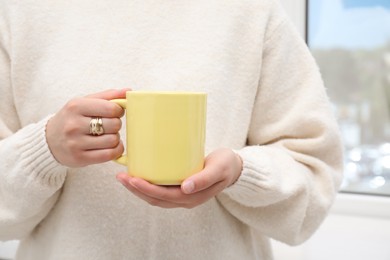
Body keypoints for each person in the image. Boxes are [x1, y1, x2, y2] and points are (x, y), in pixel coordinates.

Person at [0, 0, 344, 259]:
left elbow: (313, 188)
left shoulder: (252, 13)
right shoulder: (18, 14)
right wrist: (42, 151)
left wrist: (241, 173)